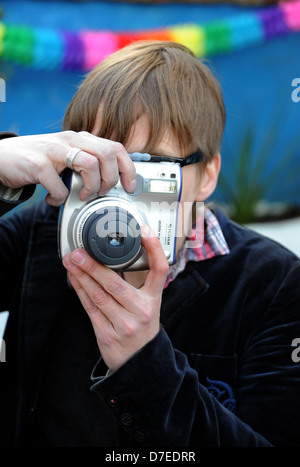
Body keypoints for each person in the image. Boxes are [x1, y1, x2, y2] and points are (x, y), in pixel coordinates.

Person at [0, 40, 299, 448]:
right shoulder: (41, 232)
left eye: (149, 168)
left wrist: (146, 364)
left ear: (207, 174)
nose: (121, 193)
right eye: (99, 164)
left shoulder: (274, 285)